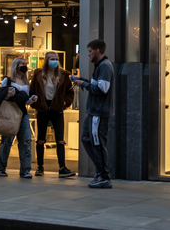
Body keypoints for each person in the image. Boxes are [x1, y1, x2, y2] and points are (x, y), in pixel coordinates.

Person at [73, 39, 115, 189]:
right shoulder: (101, 66)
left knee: (97, 143)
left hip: (99, 112)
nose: (88, 54)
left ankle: (104, 176)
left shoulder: (104, 66)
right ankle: (100, 172)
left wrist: (84, 84)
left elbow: (103, 89)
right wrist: (83, 81)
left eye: (90, 51)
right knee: (86, 138)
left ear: (97, 51)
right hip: (94, 112)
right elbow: (98, 85)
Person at [30, 51, 76, 177]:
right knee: (41, 138)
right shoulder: (38, 74)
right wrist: (35, 103)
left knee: (60, 139)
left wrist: (66, 103)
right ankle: (40, 166)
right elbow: (32, 90)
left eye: (56, 59)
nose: (55, 61)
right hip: (43, 108)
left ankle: (62, 167)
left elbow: (70, 92)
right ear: (46, 60)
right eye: (52, 59)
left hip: (57, 108)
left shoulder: (64, 75)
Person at [0, 58, 37, 178]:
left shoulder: (27, 83)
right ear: (16, 66)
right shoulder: (8, 80)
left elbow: (25, 101)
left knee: (26, 141)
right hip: (9, 113)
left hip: (22, 113)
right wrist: (7, 95)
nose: (25, 66)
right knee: (7, 141)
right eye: (22, 64)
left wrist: (31, 100)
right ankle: (0, 167)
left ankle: (25, 169)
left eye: (25, 64)